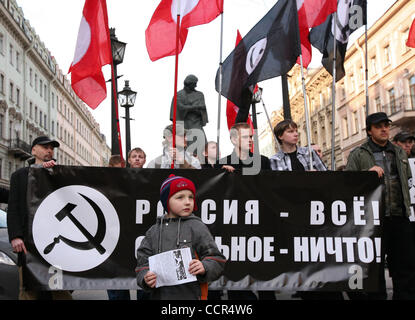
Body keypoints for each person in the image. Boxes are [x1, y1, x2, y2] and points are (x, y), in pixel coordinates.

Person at [345, 112, 415, 300]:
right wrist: (367, 174)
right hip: (373, 220)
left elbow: (407, 179)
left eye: (386, 125)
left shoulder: (398, 152)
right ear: (369, 131)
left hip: (400, 217)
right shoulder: (358, 154)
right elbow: (348, 184)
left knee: (405, 268)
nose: (384, 129)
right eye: (379, 126)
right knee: (375, 271)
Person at [136, 174, 226, 299]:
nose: (187, 202)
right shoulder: (153, 232)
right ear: (166, 201)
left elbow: (217, 259)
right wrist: (145, 277)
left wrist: (204, 266)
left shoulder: (197, 226)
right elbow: (142, 264)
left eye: (191, 197)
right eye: (180, 197)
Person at [7, 136, 71, 300]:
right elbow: (13, 207)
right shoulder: (19, 175)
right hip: (28, 242)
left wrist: (53, 173)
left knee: (59, 288)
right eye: (45, 147)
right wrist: (15, 236)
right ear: (34, 150)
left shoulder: (59, 173)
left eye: (51, 148)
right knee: (28, 288)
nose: (49, 150)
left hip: (54, 241)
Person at [170, 74, 208, 151]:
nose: (196, 86)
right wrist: (195, 107)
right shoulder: (179, 95)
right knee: (182, 146)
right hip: (183, 123)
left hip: (196, 122)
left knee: (201, 145)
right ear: (188, 84)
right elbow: (181, 108)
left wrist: (189, 107)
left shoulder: (199, 94)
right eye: (194, 84)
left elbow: (202, 107)